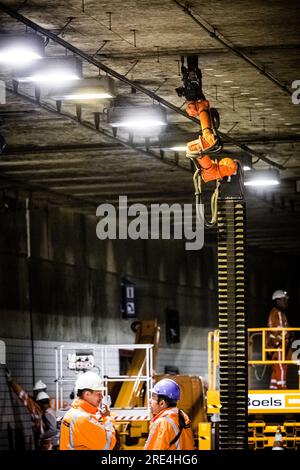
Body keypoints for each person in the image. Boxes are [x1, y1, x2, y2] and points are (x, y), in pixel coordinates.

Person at [59, 371, 116, 450]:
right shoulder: (83, 419)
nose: (102, 397)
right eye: (98, 394)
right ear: (87, 394)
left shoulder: (72, 413)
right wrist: (106, 419)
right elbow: (107, 445)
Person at [144, 378, 195, 450]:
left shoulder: (163, 423)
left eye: (153, 398)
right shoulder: (181, 416)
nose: (149, 401)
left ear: (162, 403)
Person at [267, 290, 292, 390]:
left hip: (276, 346)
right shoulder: (277, 313)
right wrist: (285, 338)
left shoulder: (277, 313)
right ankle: (282, 387)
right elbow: (281, 330)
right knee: (281, 366)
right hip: (278, 346)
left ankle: (273, 388)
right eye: (284, 300)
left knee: (276, 368)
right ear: (278, 301)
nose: (286, 302)